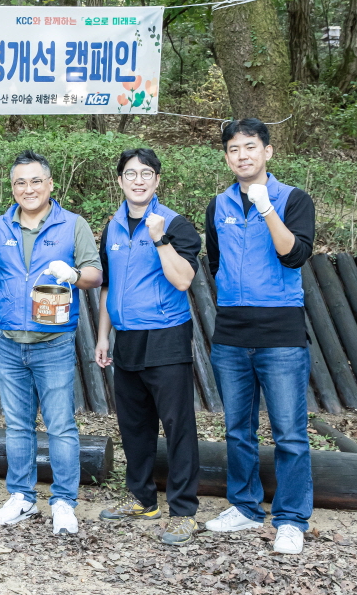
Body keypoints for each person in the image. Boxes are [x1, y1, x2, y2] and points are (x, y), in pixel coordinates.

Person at [0, 150, 102, 536]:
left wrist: (74, 273)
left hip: (54, 343)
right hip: (10, 342)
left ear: (49, 184)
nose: (27, 189)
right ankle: (22, 497)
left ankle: (63, 501)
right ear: (13, 188)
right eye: (19, 182)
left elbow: (95, 275)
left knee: (61, 426)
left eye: (35, 181)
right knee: (17, 426)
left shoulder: (72, 224)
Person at [202, 118, 315, 555]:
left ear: (267, 151)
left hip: (281, 332)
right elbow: (216, 264)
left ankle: (291, 519)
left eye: (251, 147)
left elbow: (294, 256)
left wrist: (267, 208)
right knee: (238, 428)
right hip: (231, 331)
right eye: (234, 149)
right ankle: (246, 507)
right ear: (227, 156)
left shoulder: (293, 199)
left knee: (289, 431)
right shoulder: (218, 204)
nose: (242, 155)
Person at [94, 148, 202, 545]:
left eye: (146, 174)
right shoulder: (113, 227)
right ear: (120, 180)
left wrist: (159, 239)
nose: (138, 180)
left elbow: (183, 280)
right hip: (126, 337)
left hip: (166, 335)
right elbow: (107, 286)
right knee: (134, 425)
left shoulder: (176, 224)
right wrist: (103, 335)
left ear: (157, 180)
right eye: (130, 174)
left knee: (177, 426)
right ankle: (142, 499)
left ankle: (184, 511)